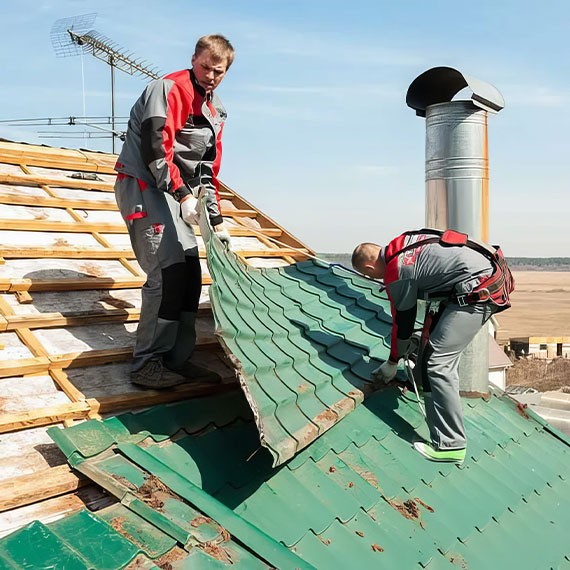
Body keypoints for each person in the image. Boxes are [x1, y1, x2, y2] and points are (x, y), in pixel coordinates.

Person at [114, 34, 234, 388]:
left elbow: (207, 172)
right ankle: (146, 363)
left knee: (189, 274)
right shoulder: (167, 89)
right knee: (166, 272)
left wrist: (217, 220)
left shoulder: (216, 110)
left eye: (219, 71)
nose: (211, 76)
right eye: (205, 67)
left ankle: (176, 359)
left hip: (177, 192)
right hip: (145, 184)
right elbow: (155, 148)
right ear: (194, 59)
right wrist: (182, 195)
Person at [352, 228, 513, 463]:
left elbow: (403, 321)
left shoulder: (397, 271)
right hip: (487, 276)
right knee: (430, 353)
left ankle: (451, 445)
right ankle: (422, 385)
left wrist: (392, 361)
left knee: (438, 363)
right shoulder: (403, 242)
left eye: (370, 276)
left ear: (368, 269)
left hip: (478, 292)